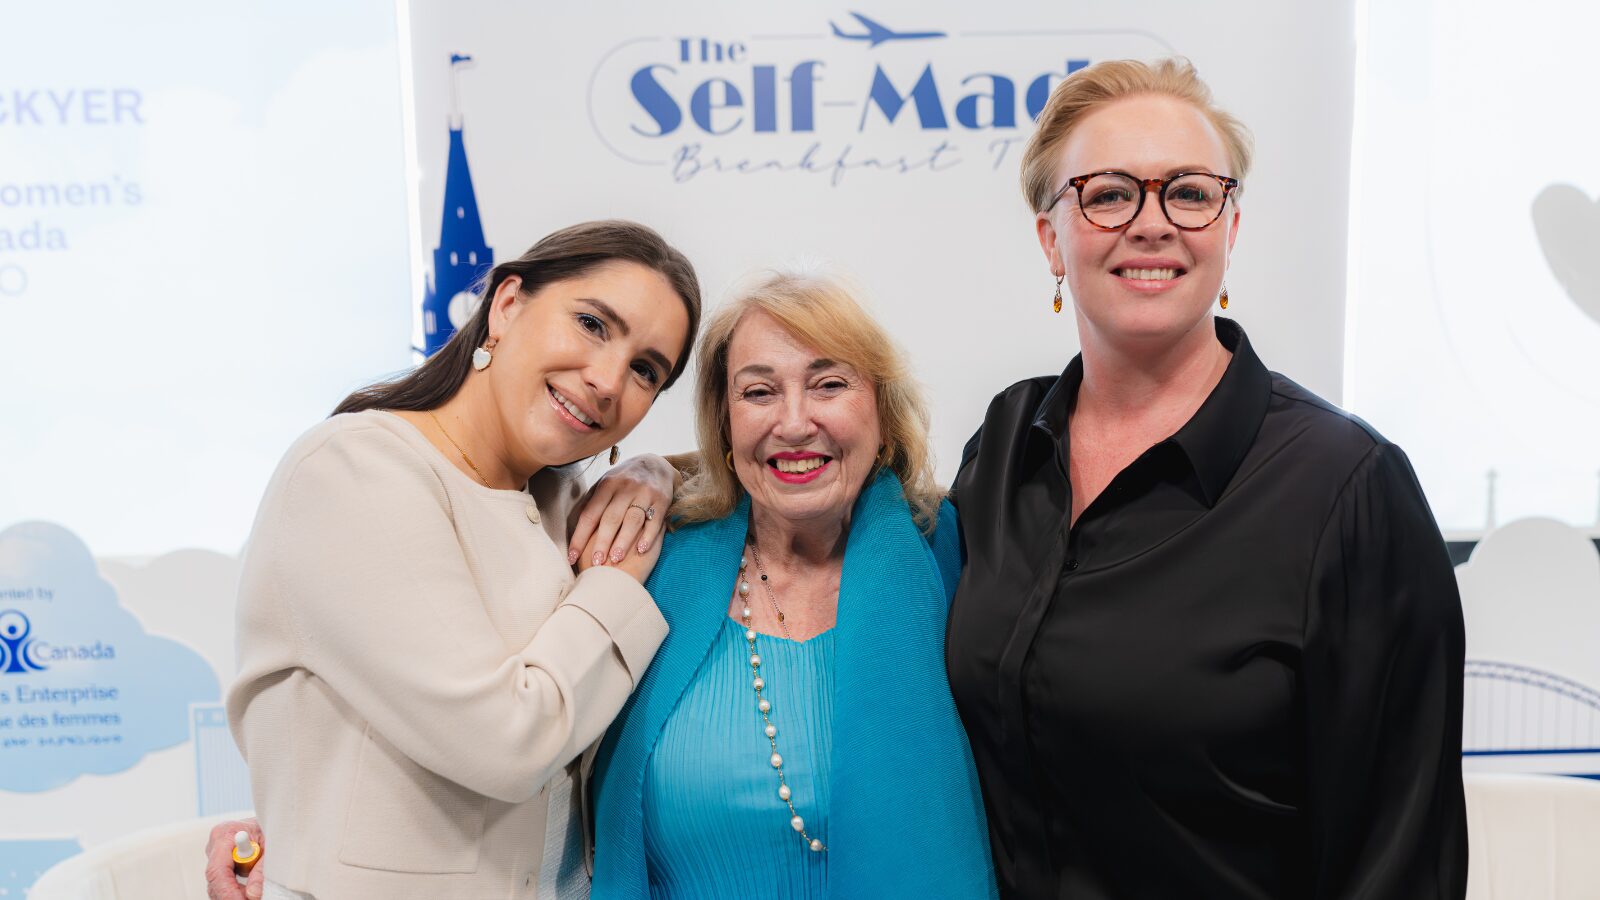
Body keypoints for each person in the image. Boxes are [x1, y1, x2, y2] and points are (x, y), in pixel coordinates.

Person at [943, 59, 1467, 898]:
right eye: (1108, 193)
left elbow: (1398, 858)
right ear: (1051, 238)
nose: (1151, 224)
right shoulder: (1004, 448)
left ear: (1230, 228)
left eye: (1188, 192)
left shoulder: (1348, 490)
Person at [212, 220, 701, 900]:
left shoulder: (557, 499)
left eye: (647, 369)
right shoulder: (354, 471)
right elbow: (508, 744)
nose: (608, 380)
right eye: (592, 324)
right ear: (505, 305)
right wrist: (616, 582)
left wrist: (654, 474)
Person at [588, 272, 997, 899]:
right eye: (759, 392)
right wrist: (649, 467)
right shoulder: (651, 562)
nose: (795, 421)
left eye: (830, 384)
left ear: (884, 415)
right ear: (724, 425)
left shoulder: (960, 555)